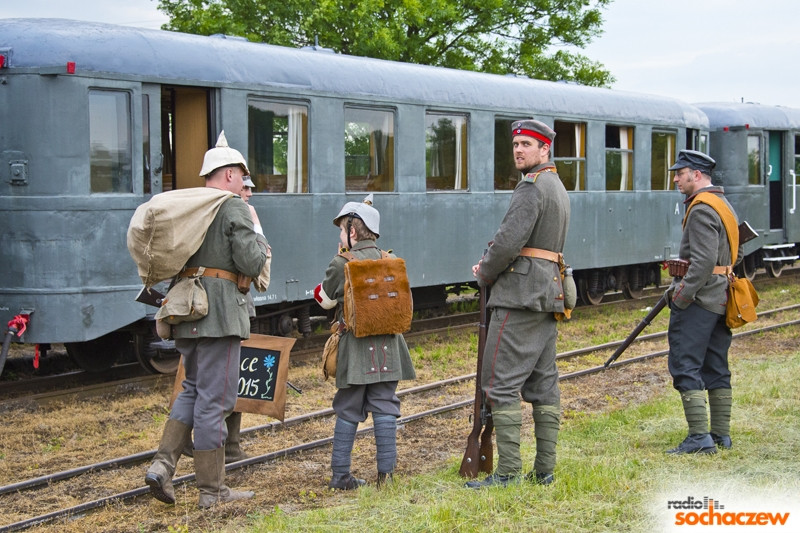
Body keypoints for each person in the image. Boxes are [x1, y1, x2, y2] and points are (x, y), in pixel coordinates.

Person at [145, 131, 269, 507]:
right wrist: (257, 235)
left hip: (188, 312)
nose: (242, 182)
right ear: (230, 174)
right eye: (241, 175)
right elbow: (251, 263)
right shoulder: (232, 206)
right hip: (220, 316)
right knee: (214, 400)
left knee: (192, 389)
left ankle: (162, 467)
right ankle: (213, 492)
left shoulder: (189, 206)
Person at [467, 119, 570, 488]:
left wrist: (485, 273)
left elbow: (508, 242)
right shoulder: (556, 186)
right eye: (516, 145)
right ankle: (544, 470)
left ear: (545, 150)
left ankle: (508, 473)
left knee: (500, 383)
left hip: (520, 298)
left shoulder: (531, 188)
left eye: (527, 144)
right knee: (544, 385)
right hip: (547, 295)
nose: (519, 150)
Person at [312, 195, 416, 489]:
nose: (341, 235)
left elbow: (324, 299)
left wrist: (337, 261)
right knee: (385, 405)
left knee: (347, 407)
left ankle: (341, 475)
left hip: (355, 349)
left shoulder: (341, 261)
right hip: (388, 348)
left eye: (342, 230)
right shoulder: (390, 260)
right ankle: (386, 476)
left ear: (352, 232)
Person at [665, 149, 741, 455]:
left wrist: (682, 297)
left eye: (680, 174)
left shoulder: (700, 208)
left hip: (700, 300)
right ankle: (720, 435)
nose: (675, 179)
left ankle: (699, 438)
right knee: (716, 366)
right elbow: (736, 253)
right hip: (722, 296)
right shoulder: (723, 205)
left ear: (697, 175)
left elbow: (703, 261)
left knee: (685, 364)